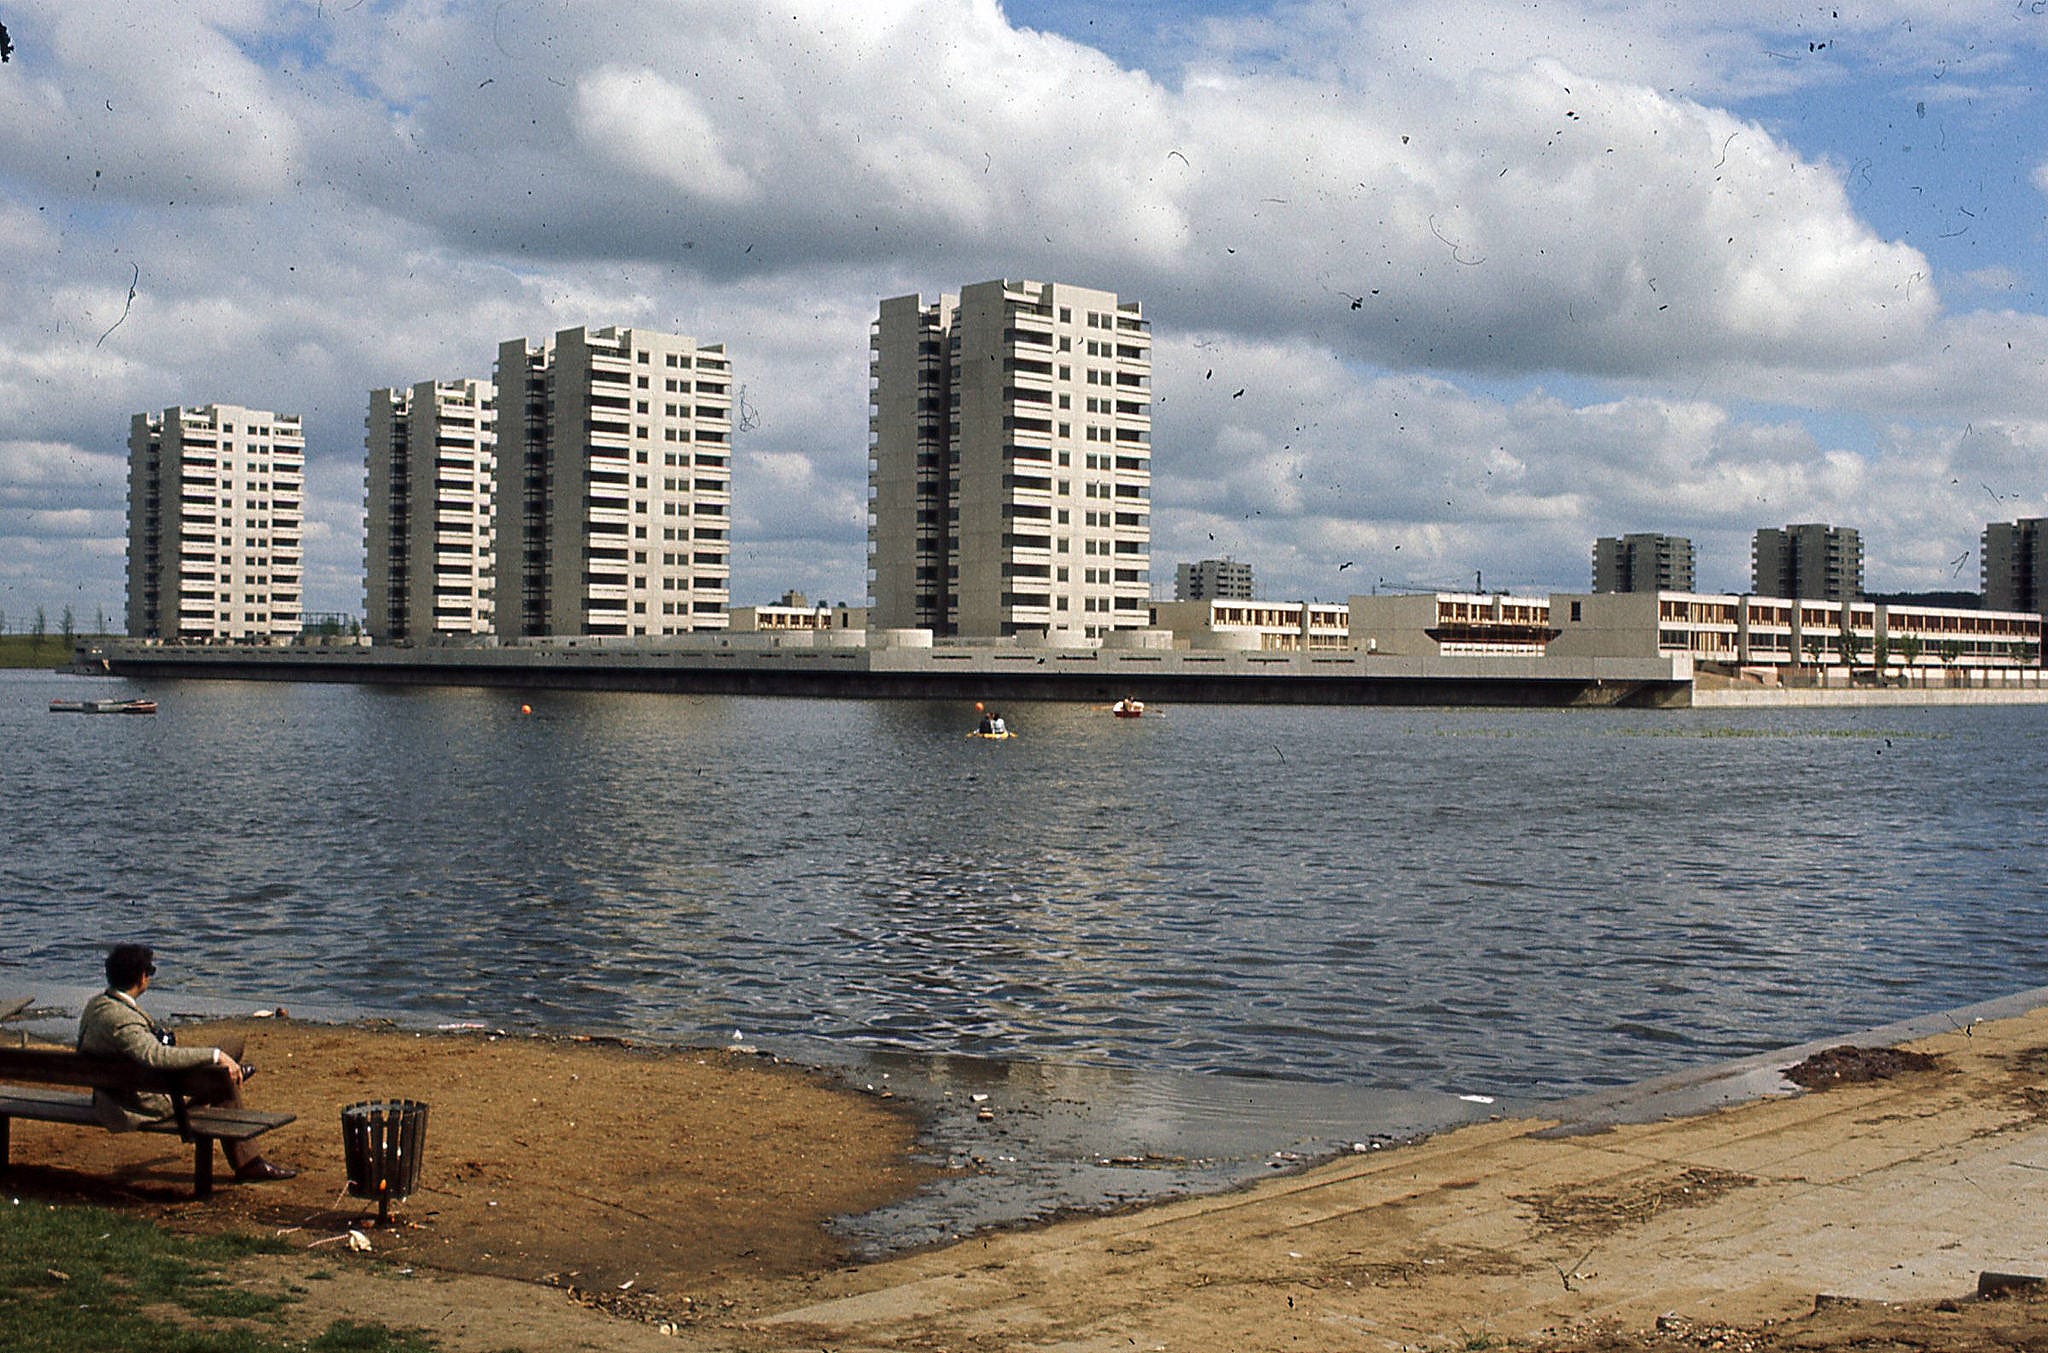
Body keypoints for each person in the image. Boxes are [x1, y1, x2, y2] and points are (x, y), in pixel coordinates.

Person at [76, 943, 298, 1182]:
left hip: (112, 1091)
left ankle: (226, 1074)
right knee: (222, 1078)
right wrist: (215, 1056)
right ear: (142, 977)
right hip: (138, 1103)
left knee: (231, 1045)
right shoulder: (123, 1020)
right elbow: (157, 1056)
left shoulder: (96, 1006)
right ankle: (248, 1163)